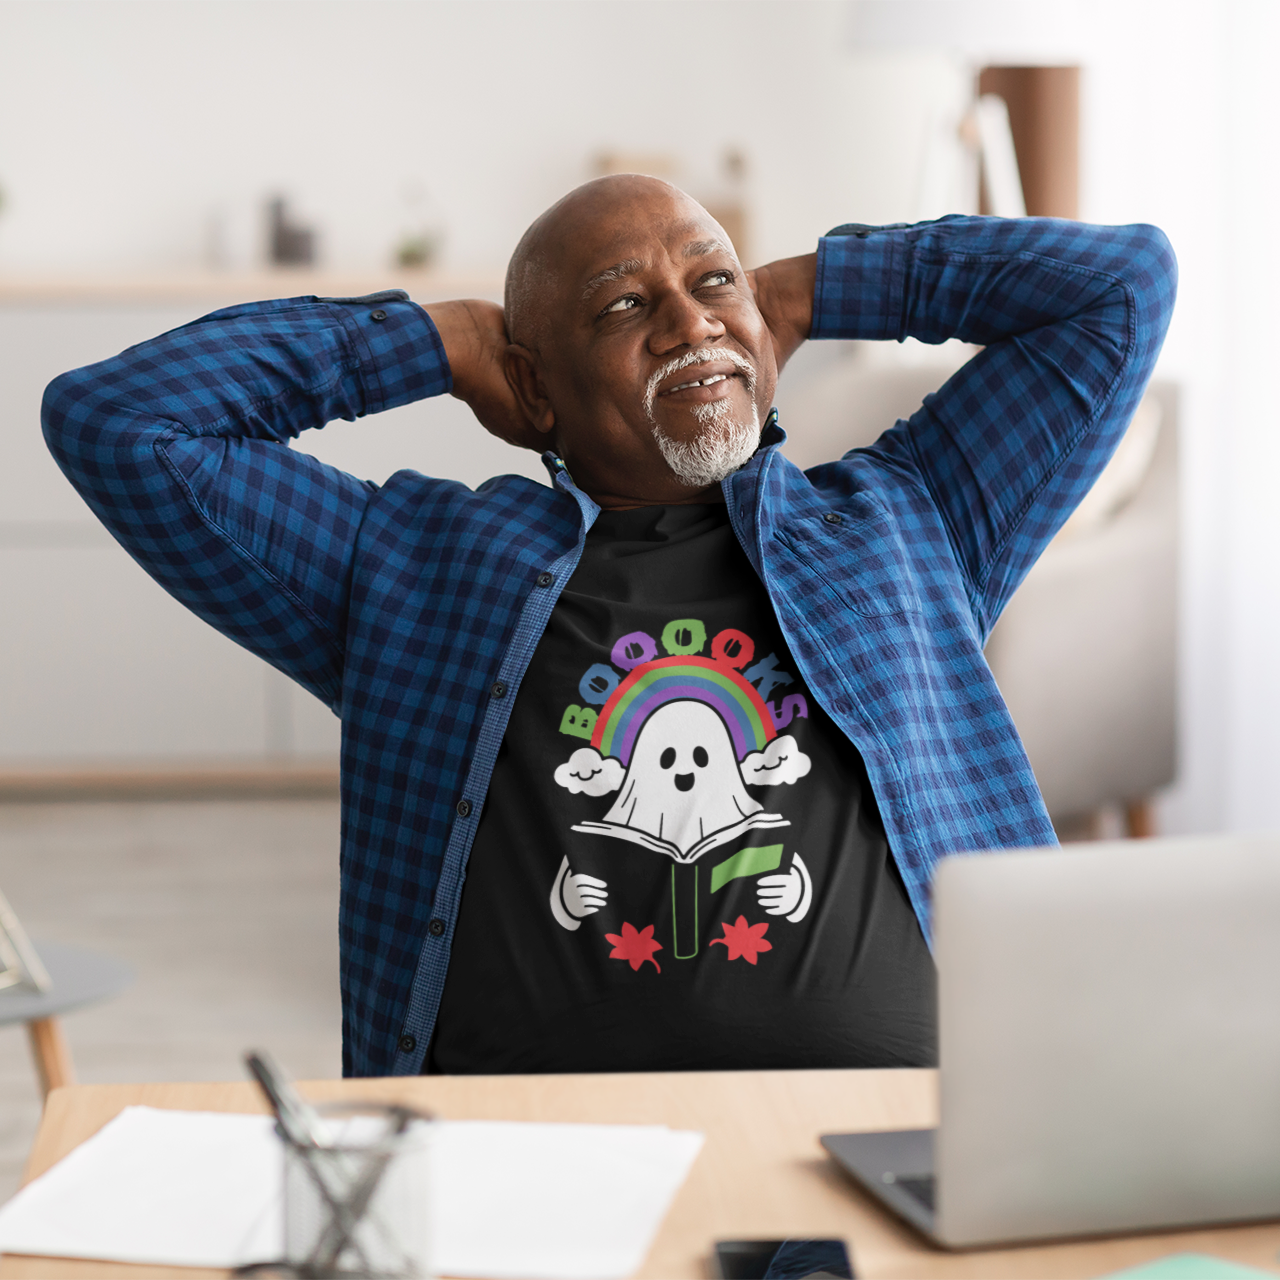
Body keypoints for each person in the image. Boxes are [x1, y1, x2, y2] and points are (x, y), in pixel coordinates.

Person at [42, 176, 1176, 1078]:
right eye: (625, 303)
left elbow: (1121, 285)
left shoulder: (907, 517)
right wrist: (431, 342)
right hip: (542, 1176)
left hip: (904, 1143)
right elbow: (118, 421)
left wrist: (805, 290)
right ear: (532, 392)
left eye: (710, 281)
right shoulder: (407, 568)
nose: (689, 321)